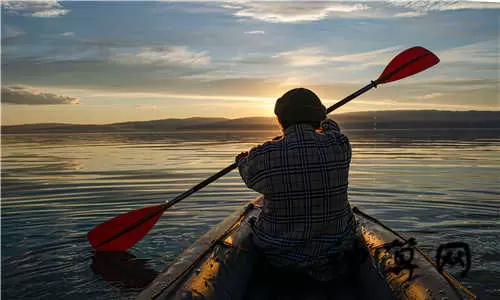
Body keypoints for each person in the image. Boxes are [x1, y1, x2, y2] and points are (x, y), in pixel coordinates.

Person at [236, 88, 360, 282]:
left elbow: (247, 172)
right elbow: (332, 128)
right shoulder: (340, 144)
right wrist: (323, 118)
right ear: (319, 117)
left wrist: (241, 159)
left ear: (280, 119)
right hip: (334, 252)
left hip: (278, 258)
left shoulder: (263, 155)